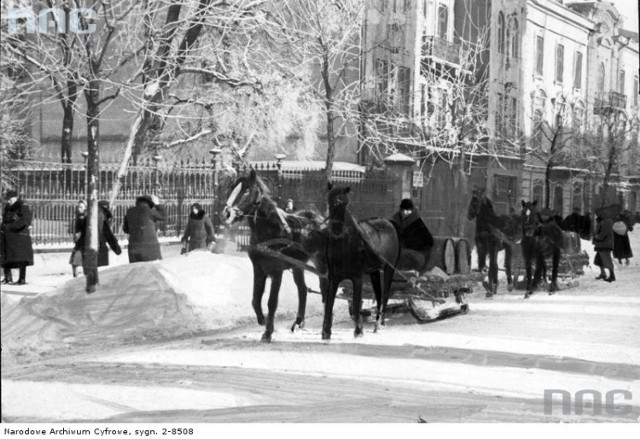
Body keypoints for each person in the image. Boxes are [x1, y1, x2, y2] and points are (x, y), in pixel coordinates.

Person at [390, 198, 434, 274]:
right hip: (399, 253)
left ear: (412, 211)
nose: (405, 213)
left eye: (408, 211)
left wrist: (409, 244)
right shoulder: (395, 222)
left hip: (417, 255)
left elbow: (428, 242)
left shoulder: (417, 224)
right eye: (403, 211)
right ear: (400, 210)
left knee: (403, 255)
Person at [0, 190, 34, 285]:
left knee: (21, 259)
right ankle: (8, 278)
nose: (8, 201)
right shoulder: (8, 207)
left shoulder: (23, 207)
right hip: (8, 236)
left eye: (9, 199)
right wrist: (2, 228)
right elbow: (5, 220)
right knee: (5, 256)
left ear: (15, 198)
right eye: (7, 199)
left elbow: (24, 221)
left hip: (19, 237)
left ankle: (21, 279)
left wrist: (10, 226)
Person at [123, 194, 166, 263]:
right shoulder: (150, 211)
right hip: (150, 248)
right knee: (152, 270)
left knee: (137, 271)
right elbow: (163, 216)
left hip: (133, 248)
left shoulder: (129, 211)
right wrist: (157, 204)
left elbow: (126, 229)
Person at [593, 206, 616, 282]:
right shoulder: (602, 220)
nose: (597, 215)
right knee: (599, 260)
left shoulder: (607, 221)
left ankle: (612, 275)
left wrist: (597, 237)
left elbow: (603, 233)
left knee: (607, 260)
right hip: (601, 244)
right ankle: (603, 273)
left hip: (605, 244)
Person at [69, 199, 87, 277]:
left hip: (84, 243)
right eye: (78, 207)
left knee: (77, 261)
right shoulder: (78, 218)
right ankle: (76, 277)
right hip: (79, 243)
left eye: (81, 207)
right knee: (74, 262)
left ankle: (83, 278)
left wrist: (79, 234)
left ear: (85, 208)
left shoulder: (85, 218)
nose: (79, 209)